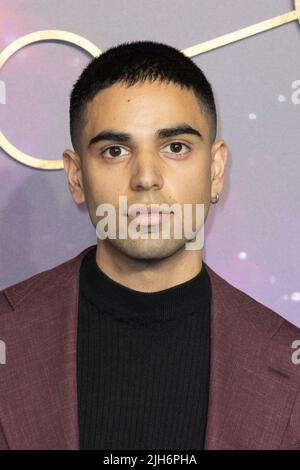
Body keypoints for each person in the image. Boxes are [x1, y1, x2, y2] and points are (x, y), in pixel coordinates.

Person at [0, 40, 299, 451]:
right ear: (75, 177)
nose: (145, 177)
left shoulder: (289, 363)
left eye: (175, 147)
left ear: (215, 171)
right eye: (115, 150)